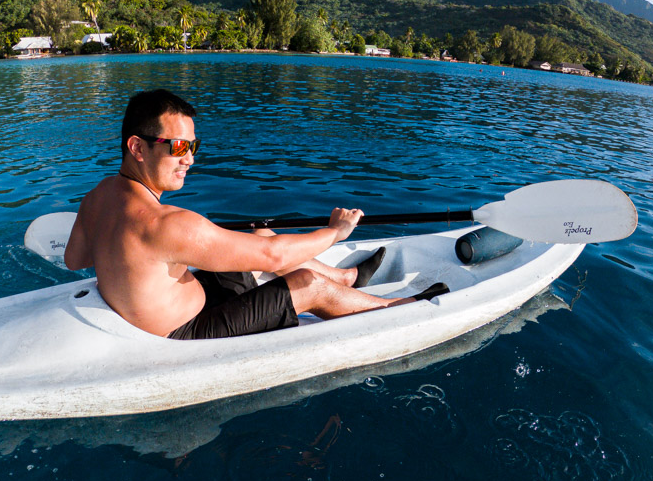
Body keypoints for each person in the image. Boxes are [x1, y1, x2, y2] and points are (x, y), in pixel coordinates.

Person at [64, 89, 447, 340]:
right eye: (179, 146)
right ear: (138, 147)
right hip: (188, 332)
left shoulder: (96, 198)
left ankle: (347, 277)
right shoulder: (165, 224)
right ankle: (398, 309)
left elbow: (74, 259)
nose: (190, 159)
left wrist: (123, 254)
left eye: (193, 145)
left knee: (261, 235)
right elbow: (275, 260)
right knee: (306, 283)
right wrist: (335, 232)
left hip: (186, 303)